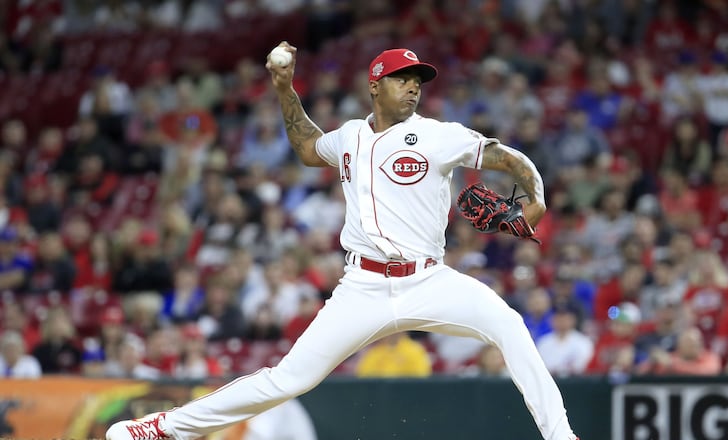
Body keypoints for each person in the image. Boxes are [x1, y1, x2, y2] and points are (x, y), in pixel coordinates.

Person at [106, 43, 578, 440]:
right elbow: (308, 147)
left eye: (417, 80)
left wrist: (535, 199)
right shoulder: (350, 136)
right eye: (401, 78)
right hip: (363, 287)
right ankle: (160, 428)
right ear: (375, 85)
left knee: (509, 324)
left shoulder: (437, 136)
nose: (413, 86)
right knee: (288, 379)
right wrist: (285, 89)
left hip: (428, 279)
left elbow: (508, 158)